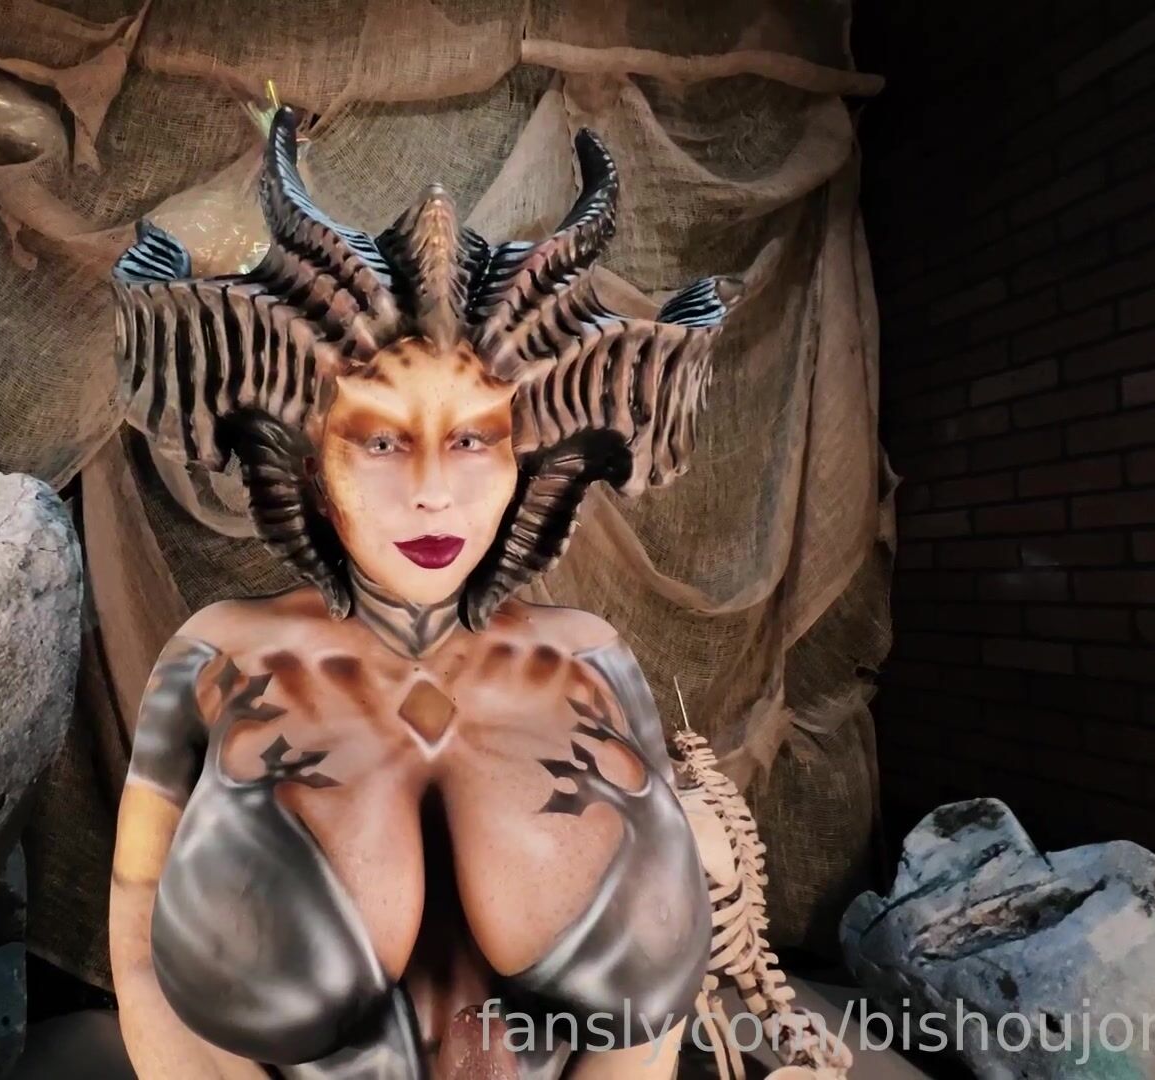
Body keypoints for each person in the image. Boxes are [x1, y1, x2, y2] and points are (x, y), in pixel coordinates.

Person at [104, 106, 738, 1080]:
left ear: (527, 453)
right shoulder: (214, 658)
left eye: (475, 437)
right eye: (381, 439)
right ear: (310, 456)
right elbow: (139, 932)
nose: (433, 489)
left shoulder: (595, 662)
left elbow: (654, 1002)